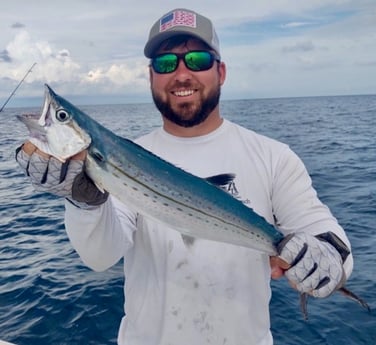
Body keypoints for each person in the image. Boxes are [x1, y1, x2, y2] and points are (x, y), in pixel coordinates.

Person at [16, 8, 353, 345]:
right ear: (151, 76)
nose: (181, 74)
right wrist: (83, 200)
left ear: (220, 71)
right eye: (166, 63)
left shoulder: (273, 157)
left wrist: (327, 258)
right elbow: (100, 256)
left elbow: (324, 232)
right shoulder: (129, 155)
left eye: (197, 59)